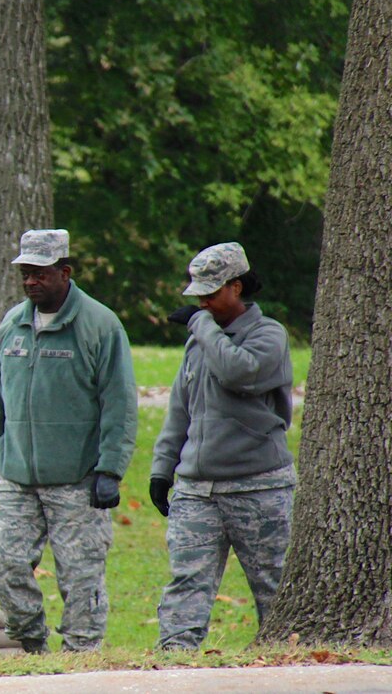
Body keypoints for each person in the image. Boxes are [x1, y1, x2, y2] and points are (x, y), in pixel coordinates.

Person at [0, 229, 138, 653]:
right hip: (17, 476)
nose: (30, 281)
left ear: (64, 272)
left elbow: (119, 403)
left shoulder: (100, 325)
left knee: (80, 575)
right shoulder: (12, 323)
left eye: (40, 273)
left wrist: (110, 469)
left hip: (77, 479)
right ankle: (31, 645)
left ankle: (81, 655)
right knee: (6, 565)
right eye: (25, 273)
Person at [150, 242, 295, 651]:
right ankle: (175, 668)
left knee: (275, 587)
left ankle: (285, 663)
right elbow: (180, 408)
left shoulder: (269, 336)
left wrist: (203, 326)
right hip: (198, 490)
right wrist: (163, 468)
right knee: (186, 586)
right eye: (198, 296)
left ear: (236, 287)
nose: (202, 303)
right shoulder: (201, 339)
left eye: (211, 294)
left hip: (259, 488)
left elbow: (237, 371)